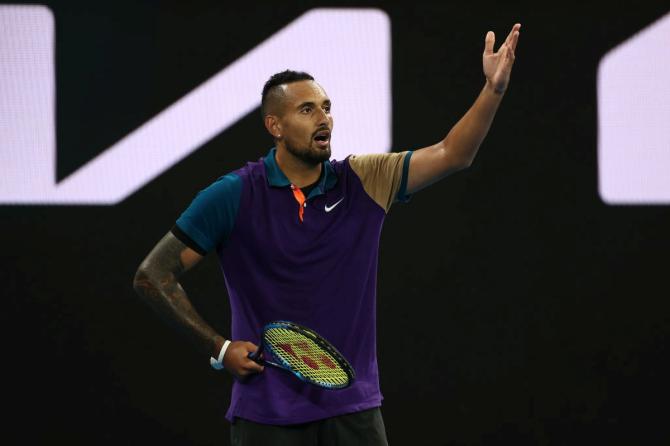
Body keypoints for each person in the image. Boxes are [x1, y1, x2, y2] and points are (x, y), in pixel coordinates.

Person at [133, 23, 521, 446]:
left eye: (326, 106)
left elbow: (453, 153)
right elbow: (154, 275)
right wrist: (220, 348)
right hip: (266, 418)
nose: (324, 118)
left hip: (354, 414)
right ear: (274, 126)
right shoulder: (234, 195)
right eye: (307, 110)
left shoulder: (366, 180)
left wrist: (493, 90)